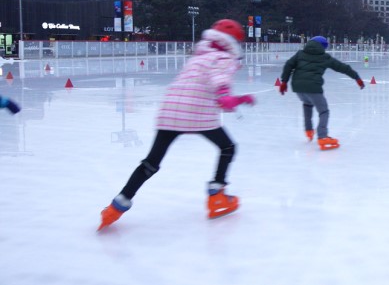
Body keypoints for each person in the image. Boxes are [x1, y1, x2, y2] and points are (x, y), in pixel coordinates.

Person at [98, 19, 255, 231]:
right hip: (196, 112)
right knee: (228, 147)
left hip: (170, 111)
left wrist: (228, 97)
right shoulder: (224, 57)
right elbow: (219, 79)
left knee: (151, 163)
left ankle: (116, 206)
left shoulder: (197, 57)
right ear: (233, 43)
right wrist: (229, 96)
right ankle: (217, 196)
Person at [279, 36, 364, 150]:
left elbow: (288, 65)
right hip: (313, 87)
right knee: (324, 111)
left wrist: (284, 81)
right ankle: (322, 136)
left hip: (298, 87)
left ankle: (309, 130)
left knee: (307, 104)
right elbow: (343, 67)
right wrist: (356, 77)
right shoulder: (324, 57)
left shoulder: (300, 54)